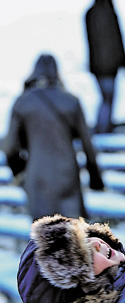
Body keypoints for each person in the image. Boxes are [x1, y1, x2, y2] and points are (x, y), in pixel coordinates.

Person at [3, 54, 104, 221]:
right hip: (67, 177)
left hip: (37, 178)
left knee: (45, 239)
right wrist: (96, 179)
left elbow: (10, 147)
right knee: (73, 238)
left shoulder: (22, 102)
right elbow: (88, 144)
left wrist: (20, 173)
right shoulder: (71, 101)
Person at [85, 0, 125, 133]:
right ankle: (104, 130)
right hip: (110, 67)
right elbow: (119, 40)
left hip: (98, 67)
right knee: (108, 99)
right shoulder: (110, 13)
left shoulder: (90, 13)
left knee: (105, 99)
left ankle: (103, 128)